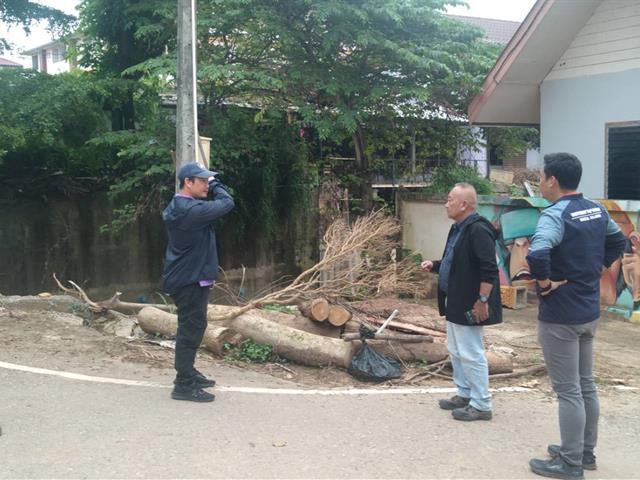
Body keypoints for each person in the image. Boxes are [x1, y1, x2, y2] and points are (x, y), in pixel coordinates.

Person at [526, 153, 626, 479]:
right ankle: (584, 452)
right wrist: (595, 269)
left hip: (560, 315)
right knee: (585, 385)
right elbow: (620, 242)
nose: (539, 182)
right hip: (588, 310)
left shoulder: (554, 215)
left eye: (541, 176)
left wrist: (545, 284)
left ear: (552, 180)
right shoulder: (596, 209)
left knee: (569, 390)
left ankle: (570, 464)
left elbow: (537, 253)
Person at [421, 183, 502, 421]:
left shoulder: (478, 230)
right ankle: (464, 393)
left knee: (471, 352)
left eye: (449, 200)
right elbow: (454, 261)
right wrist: (435, 266)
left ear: (464, 204)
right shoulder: (458, 228)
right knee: (456, 351)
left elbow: (489, 270)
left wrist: (482, 300)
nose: (446, 204)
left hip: (471, 303)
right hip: (455, 300)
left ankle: (482, 404)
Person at [162, 162, 235, 403]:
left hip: (189, 277)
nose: (206, 184)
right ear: (188, 182)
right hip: (188, 279)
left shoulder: (184, 206)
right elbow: (227, 203)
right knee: (190, 329)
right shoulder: (191, 211)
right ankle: (183, 384)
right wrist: (217, 185)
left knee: (194, 326)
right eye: (202, 180)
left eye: (208, 180)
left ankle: (188, 372)